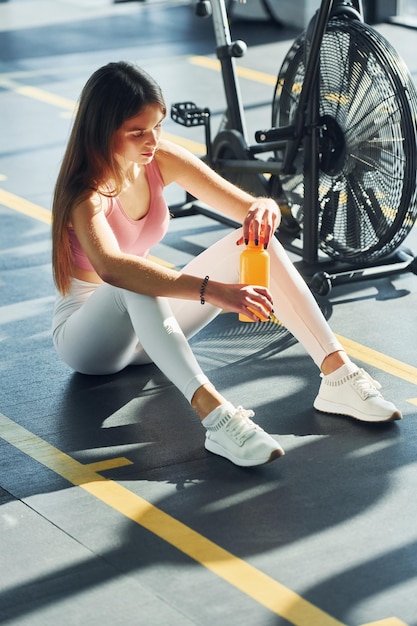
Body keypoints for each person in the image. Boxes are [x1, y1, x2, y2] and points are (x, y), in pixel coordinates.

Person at [51, 61, 401, 468]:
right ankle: (217, 419)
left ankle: (337, 375)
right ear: (102, 130)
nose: (153, 140)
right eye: (138, 132)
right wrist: (214, 291)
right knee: (133, 281)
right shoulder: (85, 194)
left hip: (150, 330)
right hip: (89, 340)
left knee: (254, 240)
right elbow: (113, 269)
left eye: (157, 127)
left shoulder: (158, 158)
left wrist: (263, 208)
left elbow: (247, 206)